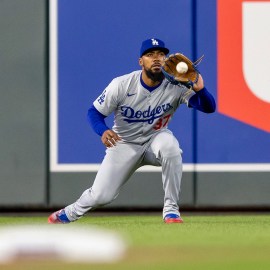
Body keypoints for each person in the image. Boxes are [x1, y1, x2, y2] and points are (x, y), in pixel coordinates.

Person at [48, 38, 216, 224]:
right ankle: (69, 213)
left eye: (161, 54)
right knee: (102, 196)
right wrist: (102, 130)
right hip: (124, 143)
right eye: (150, 55)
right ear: (140, 61)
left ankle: (171, 211)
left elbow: (209, 108)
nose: (157, 59)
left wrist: (201, 90)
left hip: (155, 140)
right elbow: (94, 112)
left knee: (170, 148)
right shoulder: (122, 84)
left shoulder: (176, 86)